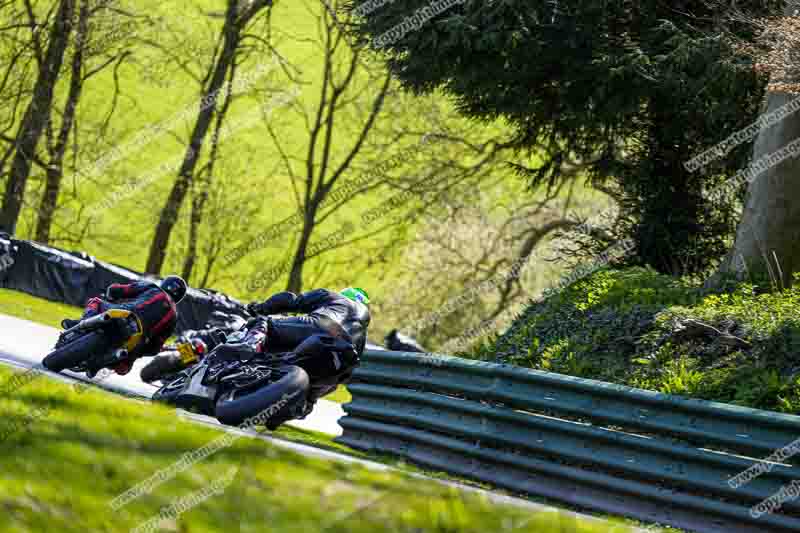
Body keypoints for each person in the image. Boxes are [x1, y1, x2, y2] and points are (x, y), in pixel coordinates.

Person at [61, 276, 187, 375]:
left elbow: (121, 290)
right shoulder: (174, 317)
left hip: (122, 314)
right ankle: (99, 365)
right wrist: (139, 353)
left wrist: (111, 295)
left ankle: (80, 324)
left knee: (96, 302)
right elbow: (155, 347)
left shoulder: (152, 287)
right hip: (136, 340)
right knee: (124, 366)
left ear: (165, 283)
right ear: (179, 297)